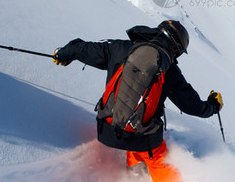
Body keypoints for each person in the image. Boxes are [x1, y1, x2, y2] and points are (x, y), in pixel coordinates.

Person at [53, 20, 223, 182]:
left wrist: (63, 54)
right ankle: (146, 173)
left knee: (136, 131)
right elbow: (192, 105)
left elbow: (83, 49)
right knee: (157, 157)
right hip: (141, 139)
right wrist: (213, 106)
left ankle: (135, 174)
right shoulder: (168, 68)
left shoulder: (120, 48)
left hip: (106, 127)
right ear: (175, 46)